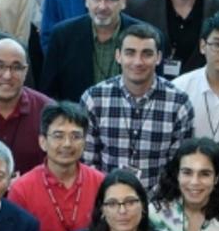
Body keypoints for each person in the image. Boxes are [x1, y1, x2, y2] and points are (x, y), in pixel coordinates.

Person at [82, 22, 195, 186]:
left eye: (147, 54)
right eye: (130, 53)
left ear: (159, 58)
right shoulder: (94, 99)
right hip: (107, 200)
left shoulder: (179, 103)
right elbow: (87, 163)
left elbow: (179, 167)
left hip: (159, 204)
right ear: (118, 56)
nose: (138, 61)